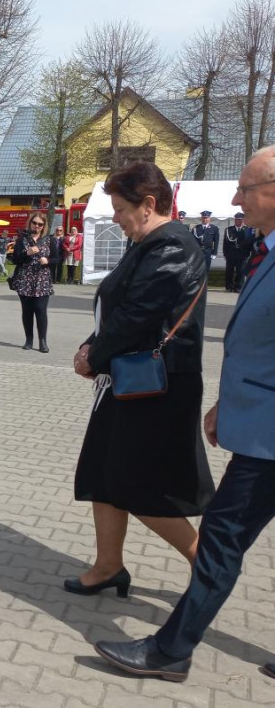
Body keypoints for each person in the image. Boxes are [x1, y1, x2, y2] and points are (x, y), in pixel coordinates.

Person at [91, 148, 275, 684]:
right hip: (254, 416)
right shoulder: (266, 252)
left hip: (267, 434)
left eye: (246, 188)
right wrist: (228, 403)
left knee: (218, 540)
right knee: (220, 540)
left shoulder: (176, 245)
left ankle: (171, 651)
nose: (236, 199)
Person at [68, 161, 212, 609]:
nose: (115, 218)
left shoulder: (171, 245)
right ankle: (109, 565)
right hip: (128, 381)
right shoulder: (148, 243)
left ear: (149, 205)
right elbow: (119, 310)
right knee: (102, 475)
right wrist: (93, 345)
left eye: (119, 209)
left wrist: (96, 354)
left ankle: (210, 567)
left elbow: (138, 315)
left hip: (158, 388)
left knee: (142, 487)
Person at [12, 212, 53, 352]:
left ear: (44, 226)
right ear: (30, 223)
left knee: (41, 310)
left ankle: (43, 341)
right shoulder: (22, 240)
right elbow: (15, 259)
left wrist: (48, 261)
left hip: (42, 280)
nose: (37, 226)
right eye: (34, 223)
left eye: (40, 224)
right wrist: (26, 253)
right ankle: (29, 339)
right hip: (25, 280)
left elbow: (58, 259)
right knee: (27, 311)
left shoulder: (49, 240)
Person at [222, 211, 250, 292]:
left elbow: (248, 243)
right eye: (237, 220)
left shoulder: (246, 230)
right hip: (231, 254)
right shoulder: (229, 230)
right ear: (235, 220)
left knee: (240, 272)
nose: (239, 221)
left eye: (240, 220)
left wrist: (247, 254)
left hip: (242, 255)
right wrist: (225, 254)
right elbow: (225, 243)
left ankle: (238, 287)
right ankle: (229, 286)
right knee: (229, 271)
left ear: (243, 220)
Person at [191, 210, 219, 277]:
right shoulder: (196, 228)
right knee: (197, 269)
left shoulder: (214, 228)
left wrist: (214, 253)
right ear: (201, 218)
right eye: (203, 217)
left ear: (209, 218)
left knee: (206, 269)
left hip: (208, 251)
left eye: (206, 217)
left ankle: (204, 285)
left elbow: (216, 241)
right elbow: (192, 241)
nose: (205, 219)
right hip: (198, 252)